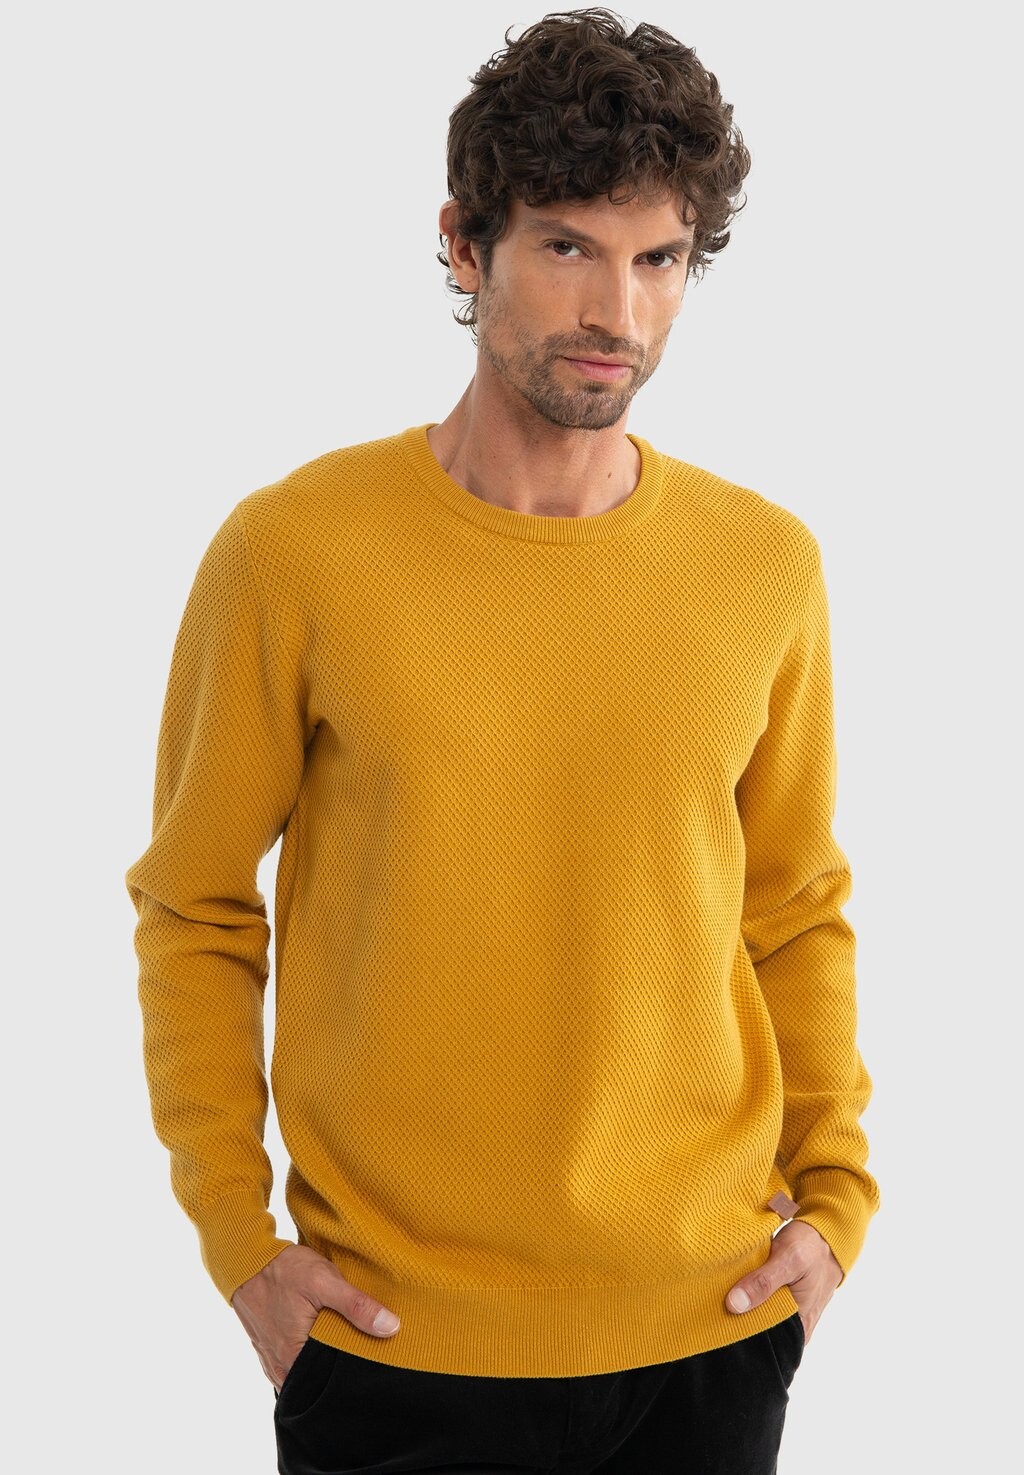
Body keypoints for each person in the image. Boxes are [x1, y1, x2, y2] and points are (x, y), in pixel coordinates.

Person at [124, 8, 879, 1472]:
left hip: (709, 1331)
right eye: (569, 248)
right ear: (466, 246)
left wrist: (838, 1200)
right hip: (393, 1343)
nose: (619, 313)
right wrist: (236, 1238)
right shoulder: (295, 553)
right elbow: (197, 906)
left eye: (660, 259)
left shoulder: (763, 566)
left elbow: (795, 904)